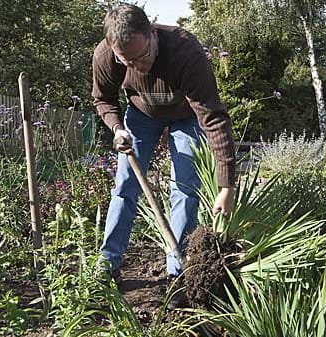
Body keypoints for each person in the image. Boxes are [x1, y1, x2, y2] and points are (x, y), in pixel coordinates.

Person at [92, 4, 236, 299]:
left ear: (153, 34)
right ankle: (108, 265)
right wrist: (118, 128)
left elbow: (213, 117)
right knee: (125, 185)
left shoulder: (186, 52)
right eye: (126, 61)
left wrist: (226, 185)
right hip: (140, 117)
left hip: (186, 116)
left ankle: (177, 273)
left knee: (185, 188)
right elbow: (103, 99)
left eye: (142, 56)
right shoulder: (106, 56)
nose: (137, 67)